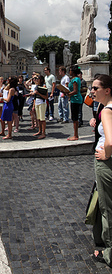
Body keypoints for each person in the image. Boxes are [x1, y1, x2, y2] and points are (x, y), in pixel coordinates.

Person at [90, 74, 112, 265]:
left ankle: (109, 253)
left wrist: (106, 153)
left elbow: (110, 141)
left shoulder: (107, 111)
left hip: (106, 163)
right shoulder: (105, 108)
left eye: (96, 88)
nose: (92, 91)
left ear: (107, 90)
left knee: (107, 207)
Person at [69, 66, 86, 142]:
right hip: (74, 99)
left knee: (75, 117)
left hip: (75, 99)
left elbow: (75, 91)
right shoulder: (75, 79)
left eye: (70, 70)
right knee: (74, 117)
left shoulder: (75, 79)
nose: (69, 71)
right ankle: (75, 134)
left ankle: (76, 135)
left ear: (73, 71)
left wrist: (68, 93)